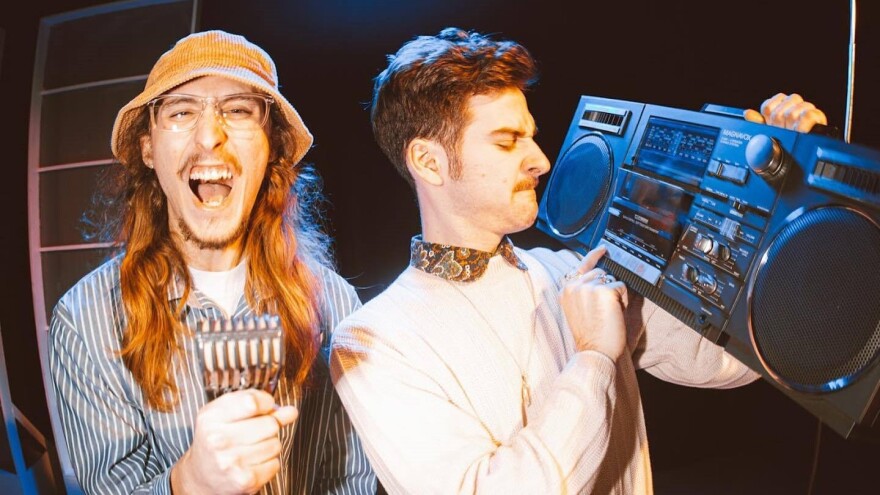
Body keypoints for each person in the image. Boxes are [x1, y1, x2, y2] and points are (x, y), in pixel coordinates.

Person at [329, 27, 827, 494]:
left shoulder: (576, 272)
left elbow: (724, 361)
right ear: (429, 162)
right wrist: (593, 357)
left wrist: (787, 197)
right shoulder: (374, 341)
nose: (541, 160)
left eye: (531, 135)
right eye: (507, 140)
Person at [48, 30, 375, 494]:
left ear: (272, 148)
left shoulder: (336, 304)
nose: (209, 136)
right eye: (181, 112)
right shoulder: (85, 321)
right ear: (148, 150)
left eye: (238, 110)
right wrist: (189, 483)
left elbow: (352, 479)